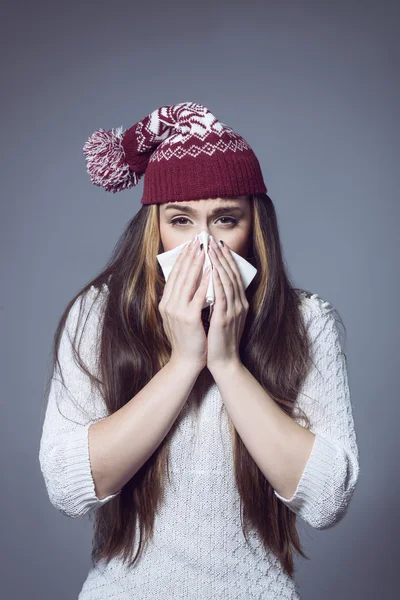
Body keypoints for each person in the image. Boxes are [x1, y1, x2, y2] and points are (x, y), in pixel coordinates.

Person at [39, 101, 360, 599]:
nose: (203, 245)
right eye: (182, 221)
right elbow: (66, 486)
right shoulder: (98, 314)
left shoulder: (307, 322)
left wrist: (227, 364)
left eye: (226, 220)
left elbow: (326, 500)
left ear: (256, 229)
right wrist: (185, 362)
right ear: (155, 227)